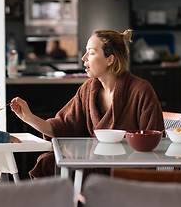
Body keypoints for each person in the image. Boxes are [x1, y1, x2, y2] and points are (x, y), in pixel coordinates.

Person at [10, 29, 164, 179]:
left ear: (110, 59)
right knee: (48, 162)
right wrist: (29, 117)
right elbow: (63, 126)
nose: (84, 58)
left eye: (91, 53)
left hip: (128, 172)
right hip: (94, 167)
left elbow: (154, 142)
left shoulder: (141, 90)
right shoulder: (88, 89)